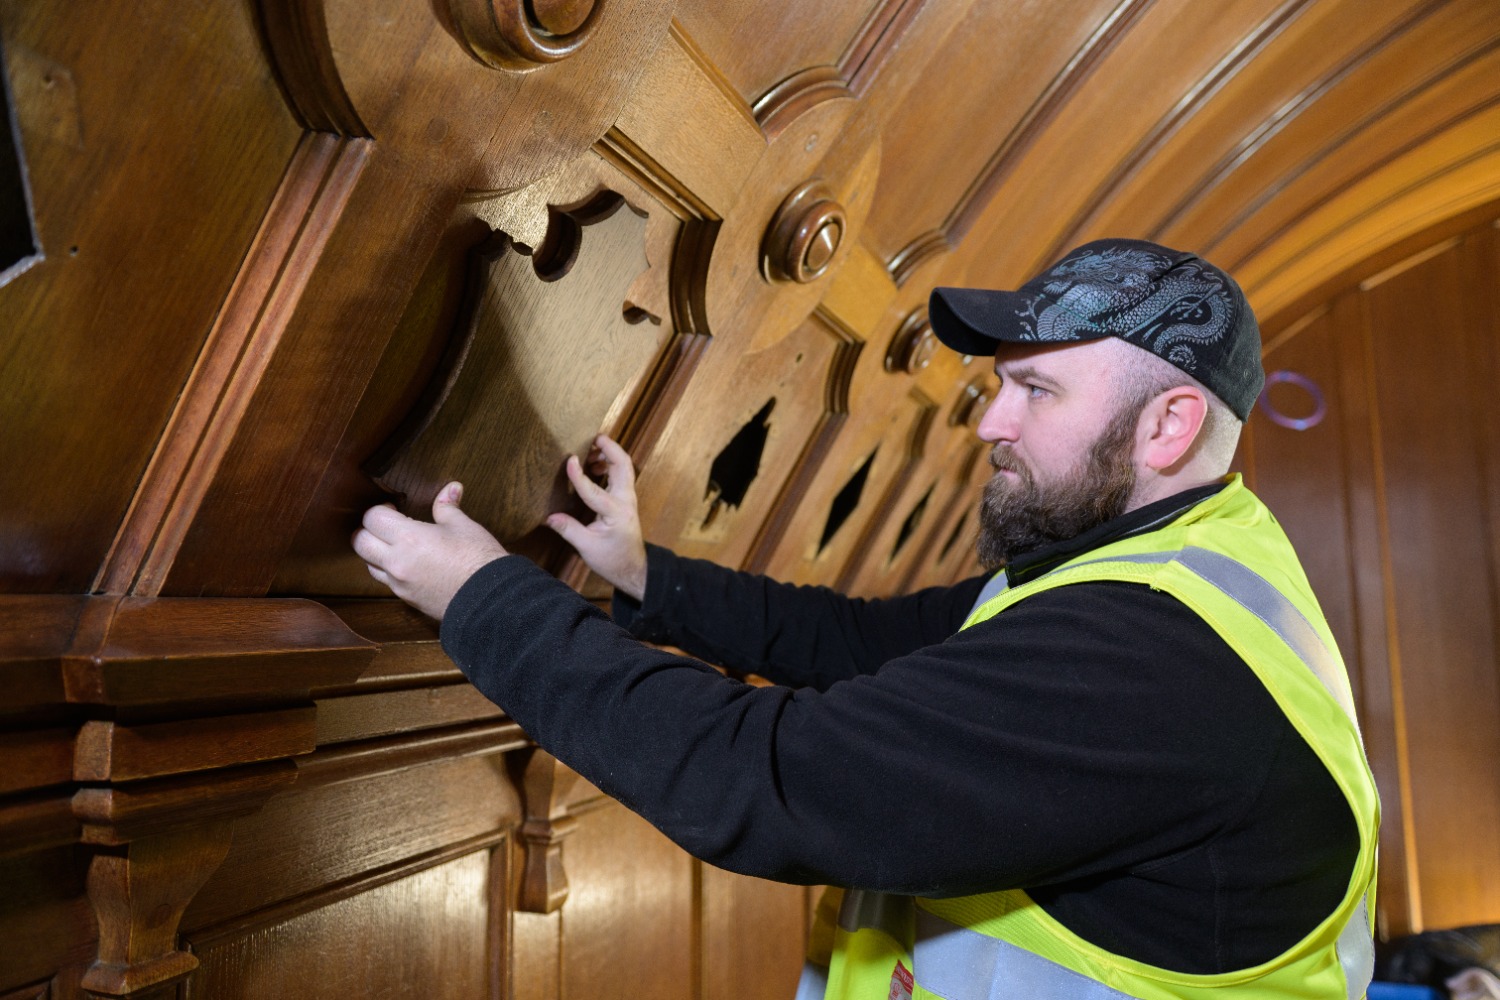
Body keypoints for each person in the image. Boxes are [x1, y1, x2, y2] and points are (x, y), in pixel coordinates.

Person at [353, 238, 1379, 999]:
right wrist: (644, 574)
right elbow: (858, 644)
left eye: (1035, 389)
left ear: (1169, 423)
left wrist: (484, 600)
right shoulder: (1147, 564)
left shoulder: (1151, 660)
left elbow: (765, 777)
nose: (990, 421)